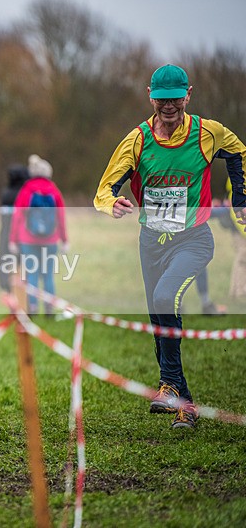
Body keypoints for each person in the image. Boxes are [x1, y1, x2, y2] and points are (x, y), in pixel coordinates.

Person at [94, 64, 246, 429]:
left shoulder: (207, 133)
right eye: (162, 99)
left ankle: (172, 387)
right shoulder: (138, 140)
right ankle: (182, 402)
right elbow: (105, 188)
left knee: (165, 298)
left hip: (194, 239)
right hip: (151, 242)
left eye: (176, 99)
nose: (169, 106)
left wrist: (241, 198)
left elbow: (239, 152)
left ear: (188, 95)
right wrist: (111, 203)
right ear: (150, 97)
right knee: (159, 319)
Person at [9, 154, 68, 315]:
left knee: (32, 274)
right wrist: (65, 240)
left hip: (28, 240)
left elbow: (17, 216)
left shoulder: (26, 190)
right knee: (48, 275)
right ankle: (49, 309)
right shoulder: (54, 191)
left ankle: (33, 308)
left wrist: (13, 240)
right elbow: (61, 217)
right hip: (50, 240)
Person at [0, 163, 29, 292]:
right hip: (22, 234)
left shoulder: (6, 194)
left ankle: (6, 286)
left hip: (5, 234)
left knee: (5, 260)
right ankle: (22, 287)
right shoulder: (25, 194)